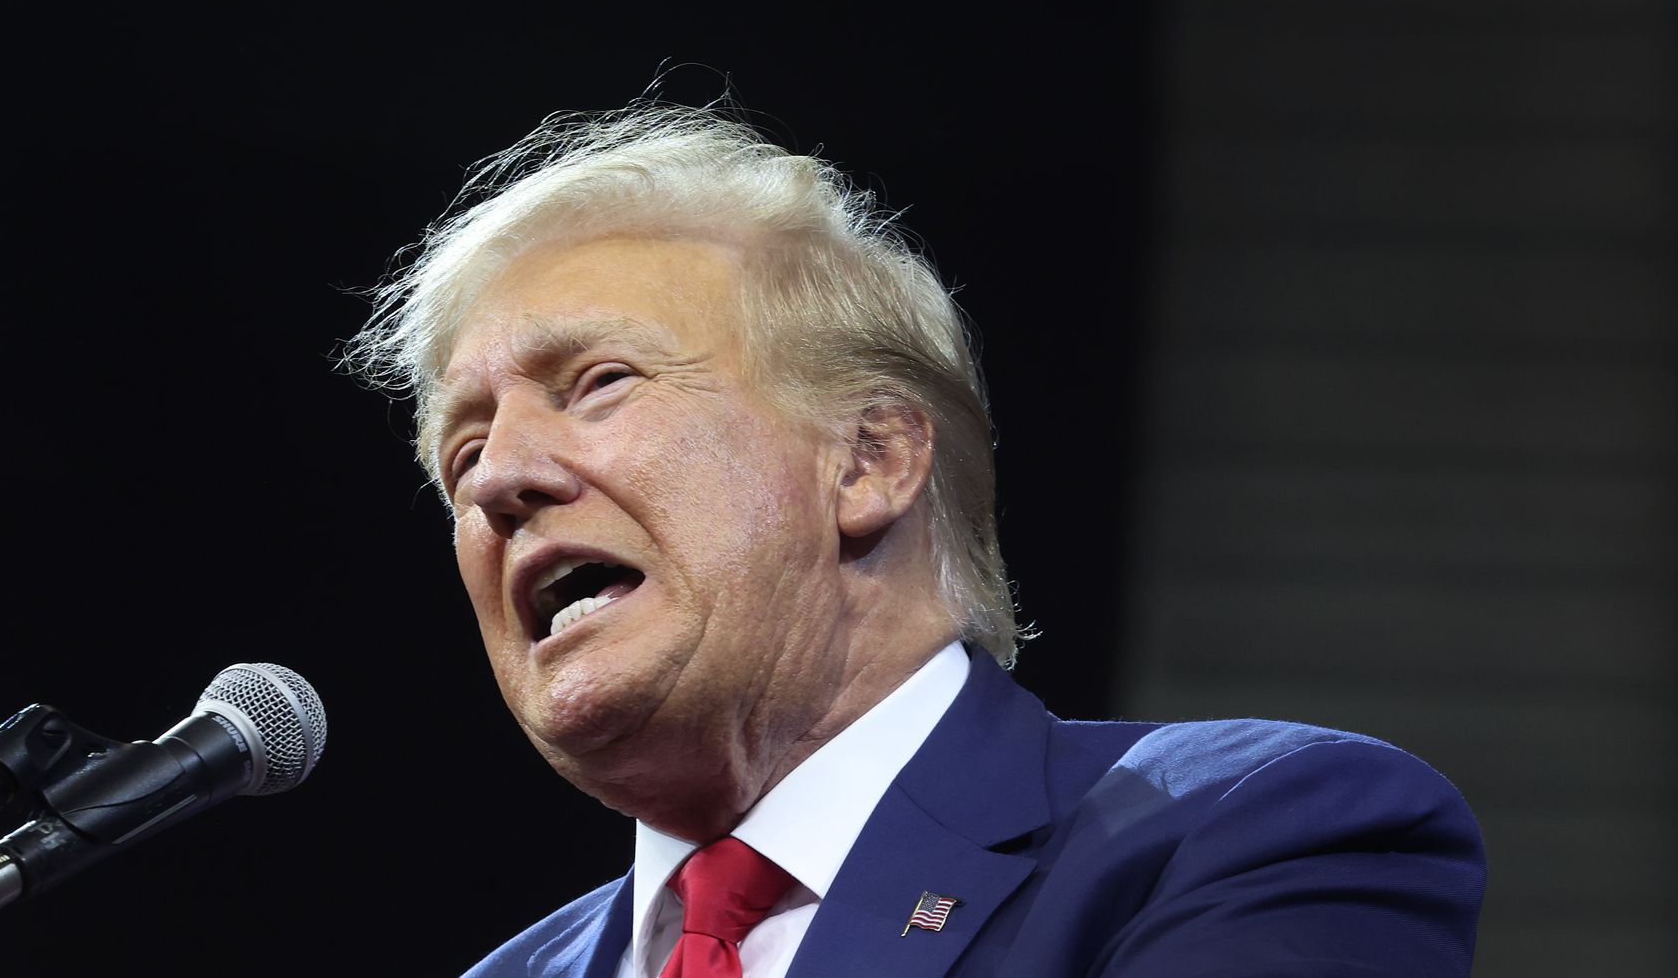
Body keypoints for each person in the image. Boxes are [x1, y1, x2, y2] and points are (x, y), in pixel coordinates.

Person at [344, 102, 1486, 977]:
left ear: (869, 460)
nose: (499, 479)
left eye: (599, 383)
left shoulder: (1241, 838)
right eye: (462, 454)